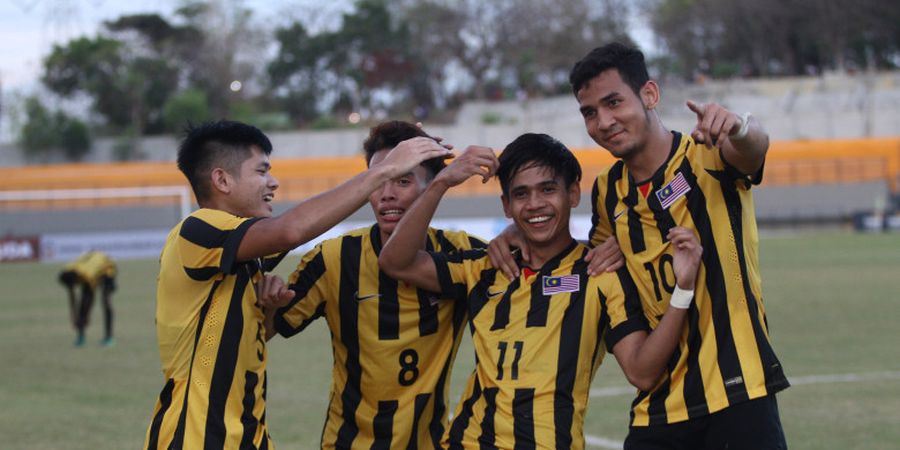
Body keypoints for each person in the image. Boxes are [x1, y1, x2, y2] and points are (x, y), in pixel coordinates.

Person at [492, 42, 790, 449]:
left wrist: (739, 126)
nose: (604, 121)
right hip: (659, 407)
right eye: (590, 112)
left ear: (649, 94)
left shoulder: (705, 155)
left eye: (614, 102)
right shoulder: (607, 193)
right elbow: (586, 260)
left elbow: (753, 150)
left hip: (737, 394)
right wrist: (518, 232)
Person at [379, 133, 703, 449]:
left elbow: (642, 372)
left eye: (548, 190)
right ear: (506, 205)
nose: (535, 204)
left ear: (573, 193)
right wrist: (440, 184)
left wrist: (683, 290)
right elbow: (395, 262)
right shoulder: (485, 266)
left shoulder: (600, 274)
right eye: (521, 194)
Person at [143, 120, 451, 450]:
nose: (273, 183)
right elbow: (292, 231)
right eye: (261, 172)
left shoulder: (244, 255)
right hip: (198, 438)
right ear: (221, 180)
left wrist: (411, 147)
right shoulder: (197, 231)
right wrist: (387, 168)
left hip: (247, 436)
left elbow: (295, 232)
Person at [265, 121, 489, 449]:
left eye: (402, 180)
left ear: (433, 186)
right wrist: (268, 303)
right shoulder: (333, 258)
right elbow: (271, 328)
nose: (387, 194)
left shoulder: (462, 254)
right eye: (379, 180)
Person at [58, 250, 116, 347]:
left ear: (76, 280)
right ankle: (81, 338)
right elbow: (72, 296)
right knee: (84, 305)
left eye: (74, 284)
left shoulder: (87, 275)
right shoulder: (68, 271)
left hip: (107, 269)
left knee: (106, 302)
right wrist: (74, 318)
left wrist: (82, 318)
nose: (74, 286)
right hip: (90, 266)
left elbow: (89, 299)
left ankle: (109, 338)